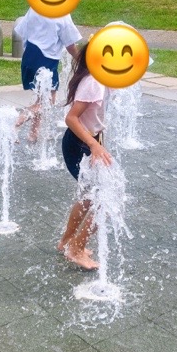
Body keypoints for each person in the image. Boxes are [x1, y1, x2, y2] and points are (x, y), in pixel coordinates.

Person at [56, 43, 113, 271]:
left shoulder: (101, 78)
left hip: (89, 143)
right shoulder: (94, 82)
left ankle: (67, 242)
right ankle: (76, 249)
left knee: (90, 197)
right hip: (80, 145)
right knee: (105, 200)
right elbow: (71, 118)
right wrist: (93, 145)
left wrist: (97, 144)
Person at [14, 7, 81, 142]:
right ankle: (14, 125)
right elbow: (70, 44)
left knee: (42, 99)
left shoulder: (35, 7)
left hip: (30, 56)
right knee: (46, 102)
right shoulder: (62, 13)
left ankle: (33, 134)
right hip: (46, 61)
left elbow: (22, 30)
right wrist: (82, 60)